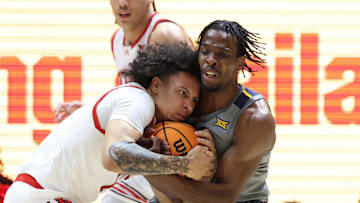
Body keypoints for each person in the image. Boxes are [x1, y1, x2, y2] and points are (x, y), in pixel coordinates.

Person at [4, 43, 216, 203]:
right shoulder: (138, 101)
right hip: (39, 195)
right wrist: (186, 165)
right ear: (156, 84)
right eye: (182, 93)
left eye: (194, 100)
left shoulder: (144, 121)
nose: (188, 105)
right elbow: (114, 155)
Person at [139, 20, 276, 203]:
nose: (211, 60)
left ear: (240, 62)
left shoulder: (254, 117)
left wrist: (149, 166)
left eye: (223, 55)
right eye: (205, 51)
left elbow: (223, 197)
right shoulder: (185, 94)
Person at [54, 0, 192, 122]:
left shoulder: (165, 34)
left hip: (174, 135)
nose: (122, 3)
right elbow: (132, 99)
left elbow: (195, 98)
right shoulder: (117, 39)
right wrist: (89, 111)